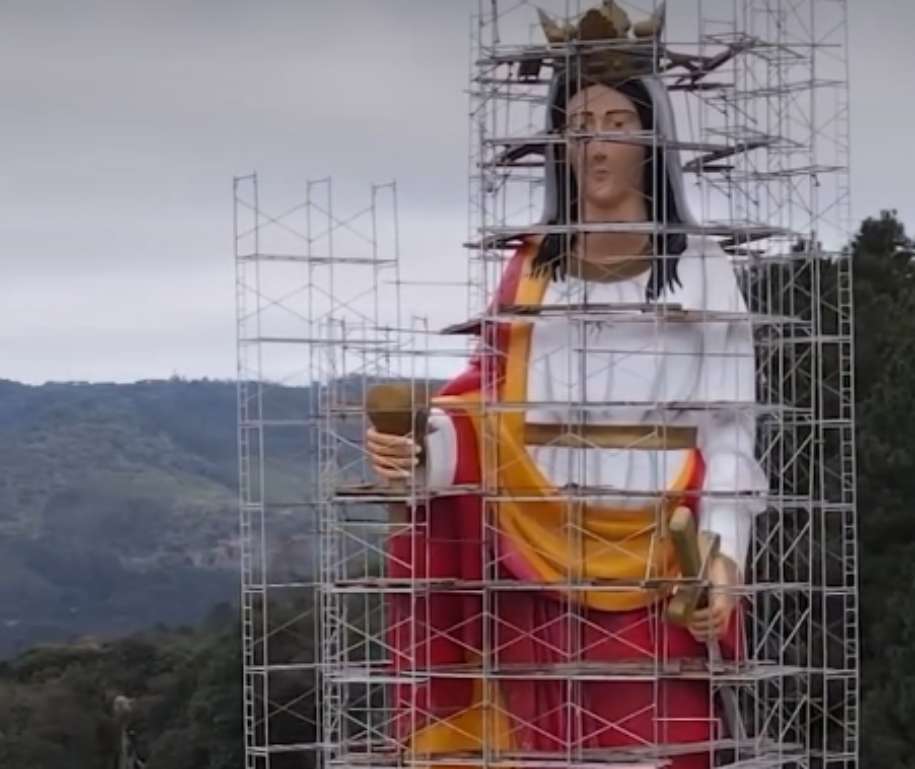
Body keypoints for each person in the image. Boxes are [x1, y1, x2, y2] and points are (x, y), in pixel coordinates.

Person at [366, 4, 768, 767]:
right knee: (542, 747)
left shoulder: (703, 268)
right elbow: (488, 400)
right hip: (535, 549)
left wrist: (723, 558)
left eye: (616, 122)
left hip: (659, 555)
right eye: (578, 126)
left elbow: (727, 430)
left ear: (651, 137)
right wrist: (421, 446)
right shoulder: (531, 269)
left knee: (668, 742)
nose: (596, 145)